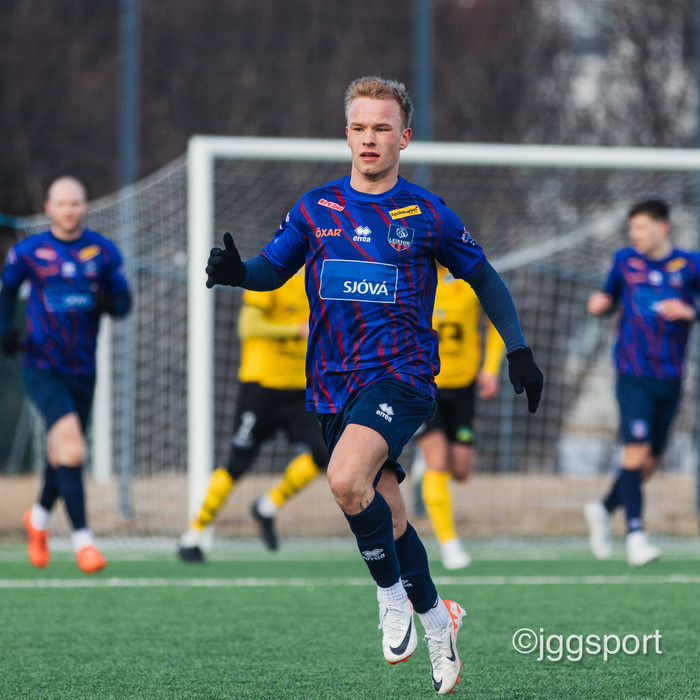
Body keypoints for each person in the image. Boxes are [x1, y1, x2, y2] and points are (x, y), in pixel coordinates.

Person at [204, 76, 543, 695]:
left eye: (381, 128)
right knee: (385, 512)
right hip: (332, 384)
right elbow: (272, 269)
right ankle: (438, 620)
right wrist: (237, 273)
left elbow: (485, 278)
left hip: (403, 376)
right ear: (346, 135)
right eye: (359, 127)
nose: (369, 138)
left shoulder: (427, 213)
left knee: (342, 479)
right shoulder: (316, 208)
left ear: (403, 138)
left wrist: (517, 350)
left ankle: (390, 597)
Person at [0, 176, 131, 574]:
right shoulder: (28, 252)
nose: (68, 210)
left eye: (75, 203)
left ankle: (38, 517)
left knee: (63, 453)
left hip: (83, 368)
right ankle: (83, 542)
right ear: (49, 207)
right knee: (73, 448)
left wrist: (109, 300)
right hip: (42, 365)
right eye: (61, 203)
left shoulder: (103, 252)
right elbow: (6, 292)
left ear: (85, 206)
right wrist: (5, 330)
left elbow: (123, 304)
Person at [178, 270, 329, 562]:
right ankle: (193, 535)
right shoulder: (272, 274)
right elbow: (248, 325)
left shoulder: (322, 278)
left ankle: (267, 507)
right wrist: (295, 329)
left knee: (326, 453)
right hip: (262, 388)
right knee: (238, 462)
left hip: (301, 388)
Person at [584, 199, 700, 567]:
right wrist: (600, 304)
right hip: (632, 372)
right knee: (634, 452)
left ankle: (603, 509)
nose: (635, 234)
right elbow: (608, 298)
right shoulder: (624, 261)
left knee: (649, 462)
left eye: (642, 227)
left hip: (672, 376)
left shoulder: (689, 264)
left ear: (663, 228)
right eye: (632, 228)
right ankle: (636, 536)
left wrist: (691, 311)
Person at [413, 264, 505, 570]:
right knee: (438, 462)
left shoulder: (469, 279)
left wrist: (490, 369)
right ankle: (449, 543)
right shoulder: (413, 275)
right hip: (423, 385)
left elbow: (497, 318)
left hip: (464, 387)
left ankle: (428, 472)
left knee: (461, 470)